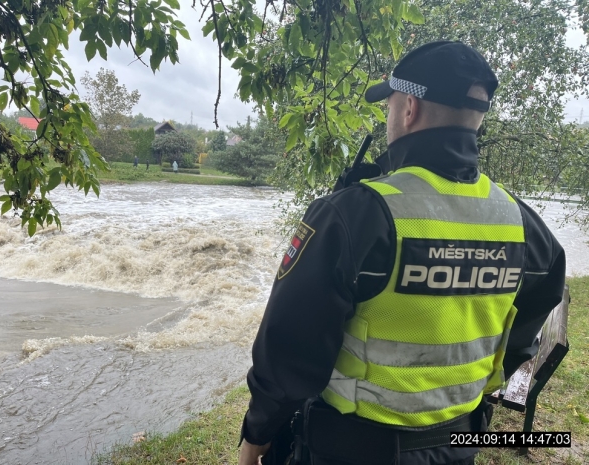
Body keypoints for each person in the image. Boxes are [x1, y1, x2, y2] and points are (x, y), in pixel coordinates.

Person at [238, 41, 566, 465]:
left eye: (390, 105)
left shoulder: (354, 214)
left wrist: (257, 437)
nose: (389, 116)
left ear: (408, 107)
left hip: (350, 451)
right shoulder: (523, 223)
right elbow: (538, 304)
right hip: (456, 447)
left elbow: (289, 349)